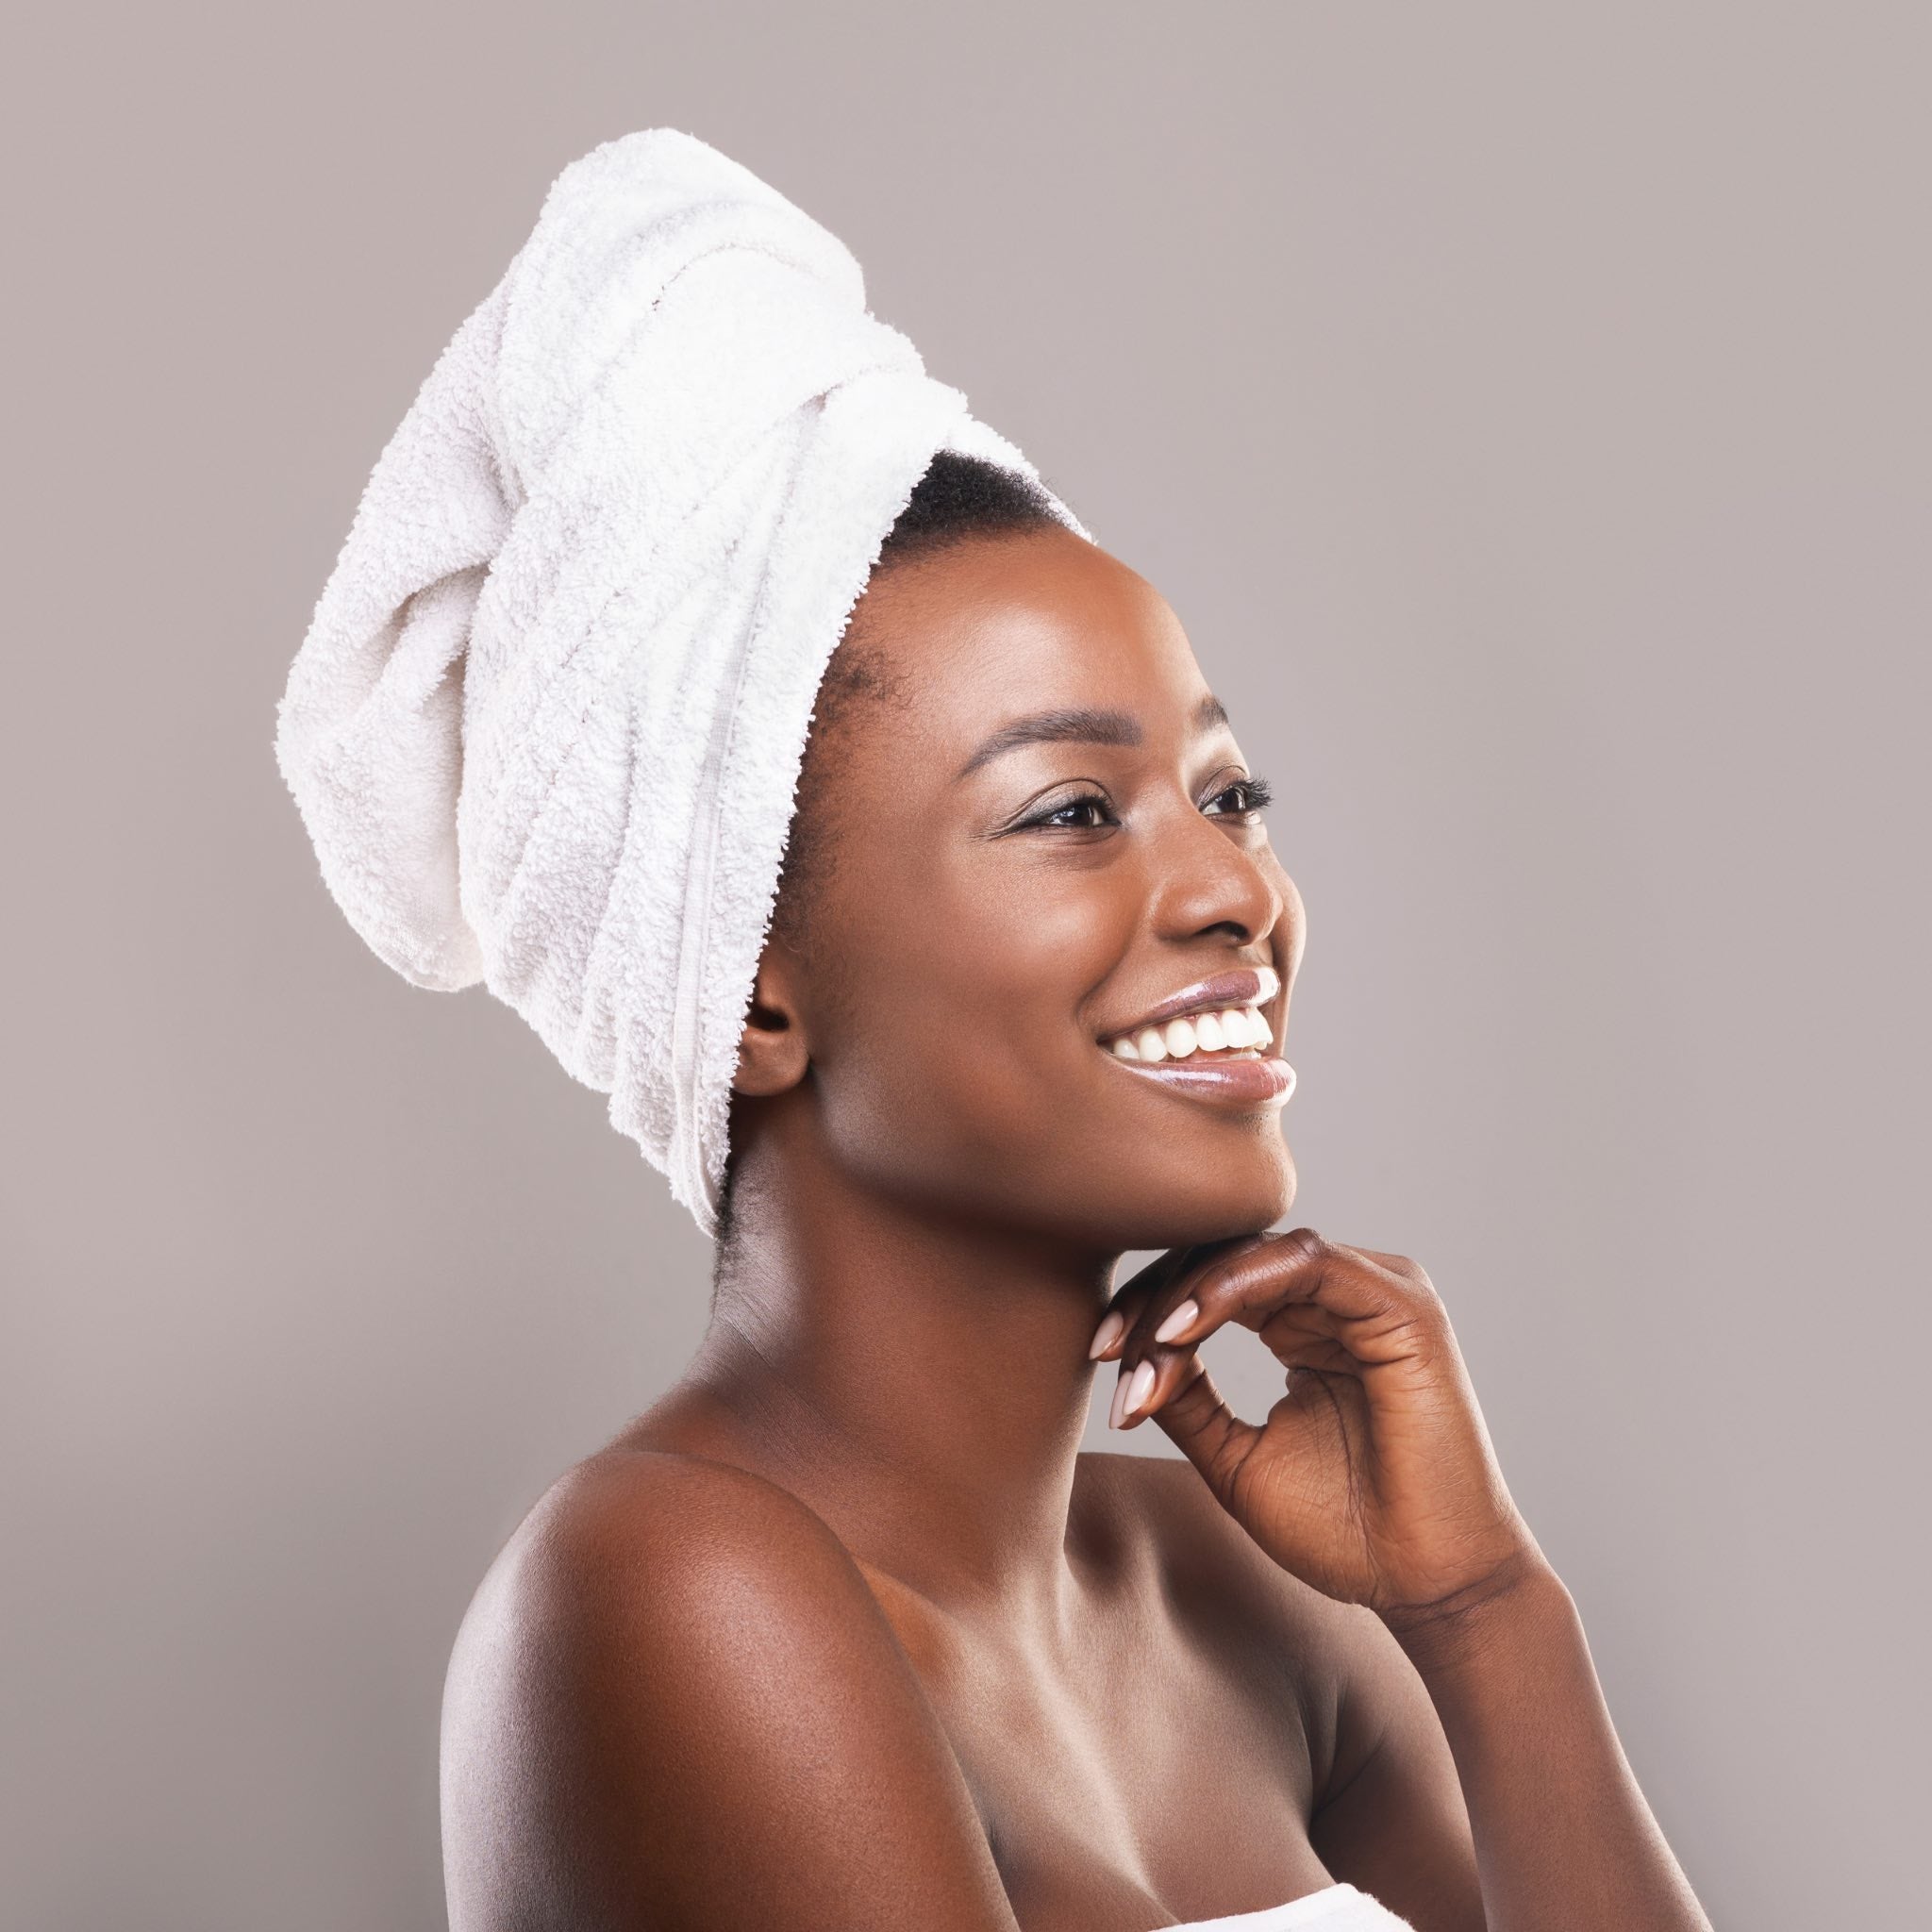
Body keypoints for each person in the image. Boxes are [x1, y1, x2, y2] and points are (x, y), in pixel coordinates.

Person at [435, 449, 1716, 1932]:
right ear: (751, 999)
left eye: (1230, 794)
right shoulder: (675, 1591)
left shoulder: (1236, 1601)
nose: (1237, 893)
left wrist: (1488, 1611)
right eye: (1072, 813)